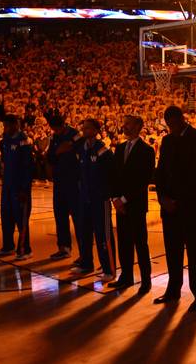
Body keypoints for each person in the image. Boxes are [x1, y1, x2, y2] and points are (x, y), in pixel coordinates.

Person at [153, 106, 196, 311]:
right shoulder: (167, 140)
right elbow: (160, 172)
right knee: (172, 251)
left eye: (173, 124)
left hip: (190, 205)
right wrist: (162, 198)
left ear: (181, 119)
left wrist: (176, 199)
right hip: (169, 207)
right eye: (168, 125)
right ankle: (173, 289)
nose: (171, 128)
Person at [107, 114, 155, 293]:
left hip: (135, 204)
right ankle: (126, 277)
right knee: (124, 243)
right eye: (124, 123)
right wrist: (115, 198)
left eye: (128, 124)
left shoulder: (147, 150)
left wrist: (124, 199)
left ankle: (145, 281)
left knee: (140, 244)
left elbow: (143, 180)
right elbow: (113, 176)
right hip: (120, 204)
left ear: (138, 126)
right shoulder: (119, 148)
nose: (124, 126)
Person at [73, 119, 115, 280]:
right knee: (84, 232)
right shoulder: (82, 149)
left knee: (103, 234)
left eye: (88, 128)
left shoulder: (103, 150)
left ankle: (109, 269)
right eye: (83, 128)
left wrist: (106, 193)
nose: (85, 131)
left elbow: (111, 174)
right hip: (84, 198)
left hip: (100, 199)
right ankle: (86, 264)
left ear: (96, 130)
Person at [0, 115, 34, 260]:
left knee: (21, 219)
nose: (4, 128)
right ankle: (8, 246)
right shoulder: (6, 140)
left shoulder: (23, 141)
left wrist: (25, 188)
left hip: (19, 187)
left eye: (7, 126)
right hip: (7, 185)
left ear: (15, 125)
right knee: (6, 217)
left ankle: (25, 249)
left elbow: (28, 166)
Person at [45, 111, 81, 261]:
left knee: (79, 219)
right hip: (59, 182)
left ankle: (84, 252)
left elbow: (82, 153)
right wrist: (59, 151)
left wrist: (69, 148)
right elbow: (50, 157)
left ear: (63, 125)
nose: (56, 131)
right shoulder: (54, 137)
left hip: (74, 183)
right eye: (54, 129)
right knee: (60, 216)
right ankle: (63, 248)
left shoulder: (76, 135)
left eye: (57, 128)